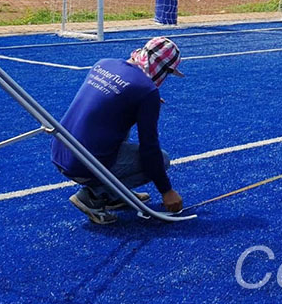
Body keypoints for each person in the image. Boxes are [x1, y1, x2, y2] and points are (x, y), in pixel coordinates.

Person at [52, 36, 185, 224]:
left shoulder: (104, 63)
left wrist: (142, 103)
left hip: (60, 148)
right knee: (161, 160)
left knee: (118, 119)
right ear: (164, 69)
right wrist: (166, 191)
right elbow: (150, 149)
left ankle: (116, 195)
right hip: (81, 164)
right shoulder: (146, 91)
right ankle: (94, 195)